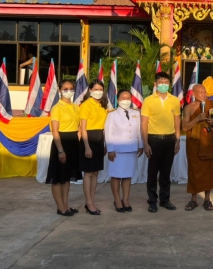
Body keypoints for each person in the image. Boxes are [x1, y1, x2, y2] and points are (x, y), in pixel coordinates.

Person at [141, 71, 182, 213]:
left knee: (166, 172)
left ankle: (165, 199)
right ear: (155, 84)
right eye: (160, 82)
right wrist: (145, 144)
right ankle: (152, 201)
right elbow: (144, 123)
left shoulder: (175, 100)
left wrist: (177, 140)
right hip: (154, 139)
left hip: (170, 139)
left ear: (169, 84)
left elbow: (177, 121)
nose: (163, 84)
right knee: (152, 172)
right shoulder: (148, 100)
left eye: (166, 82)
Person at [181, 84, 213, 211]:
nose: (203, 95)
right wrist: (197, 119)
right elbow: (185, 127)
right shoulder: (189, 108)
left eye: (204, 92)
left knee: (209, 171)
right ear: (194, 94)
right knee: (195, 171)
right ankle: (193, 199)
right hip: (194, 144)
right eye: (200, 92)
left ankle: (207, 199)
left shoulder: (212, 106)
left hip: (209, 143)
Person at [46, 79, 82, 216]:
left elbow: (78, 127)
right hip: (61, 142)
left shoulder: (75, 107)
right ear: (60, 90)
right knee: (57, 177)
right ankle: (60, 207)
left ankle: (66, 205)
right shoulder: (57, 108)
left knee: (67, 177)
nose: (68, 91)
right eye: (65, 89)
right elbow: (55, 131)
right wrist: (60, 150)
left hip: (73, 142)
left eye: (71, 88)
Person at [105, 90, 143, 213]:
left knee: (127, 176)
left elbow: (139, 131)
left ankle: (125, 200)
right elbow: (108, 133)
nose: (126, 100)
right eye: (123, 97)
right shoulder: (112, 115)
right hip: (117, 150)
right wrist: (110, 149)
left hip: (131, 149)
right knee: (116, 176)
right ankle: (117, 200)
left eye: (128, 97)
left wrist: (141, 145)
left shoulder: (136, 113)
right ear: (118, 99)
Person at [79, 79, 109, 215]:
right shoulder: (85, 105)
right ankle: (88, 202)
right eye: (95, 89)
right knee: (89, 173)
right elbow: (82, 128)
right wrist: (86, 147)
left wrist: (105, 143)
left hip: (99, 141)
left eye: (100, 90)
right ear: (90, 90)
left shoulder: (103, 105)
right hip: (88, 140)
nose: (98, 92)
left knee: (96, 173)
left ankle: (92, 200)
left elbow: (105, 126)